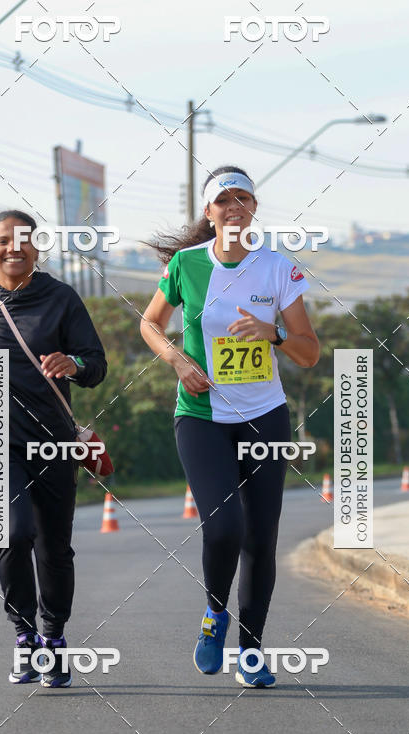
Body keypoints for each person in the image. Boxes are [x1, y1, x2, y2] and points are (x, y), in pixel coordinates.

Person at [141, 166, 319, 688]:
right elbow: (150, 323)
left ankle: (253, 651)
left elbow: (309, 353)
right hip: (201, 417)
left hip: (265, 416)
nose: (234, 207)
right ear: (209, 212)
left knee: (261, 540)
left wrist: (275, 332)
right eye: (224, 200)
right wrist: (176, 360)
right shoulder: (186, 265)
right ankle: (214, 613)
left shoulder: (279, 269)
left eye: (243, 198)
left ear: (254, 207)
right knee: (224, 527)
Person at [0, 210, 107, 687]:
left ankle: (54, 636)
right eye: (5, 241)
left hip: (52, 440)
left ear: (38, 249)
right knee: (12, 532)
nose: (16, 248)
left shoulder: (62, 299)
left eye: (26, 240)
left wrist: (72, 364)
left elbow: (96, 364)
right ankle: (24, 635)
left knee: (54, 545)